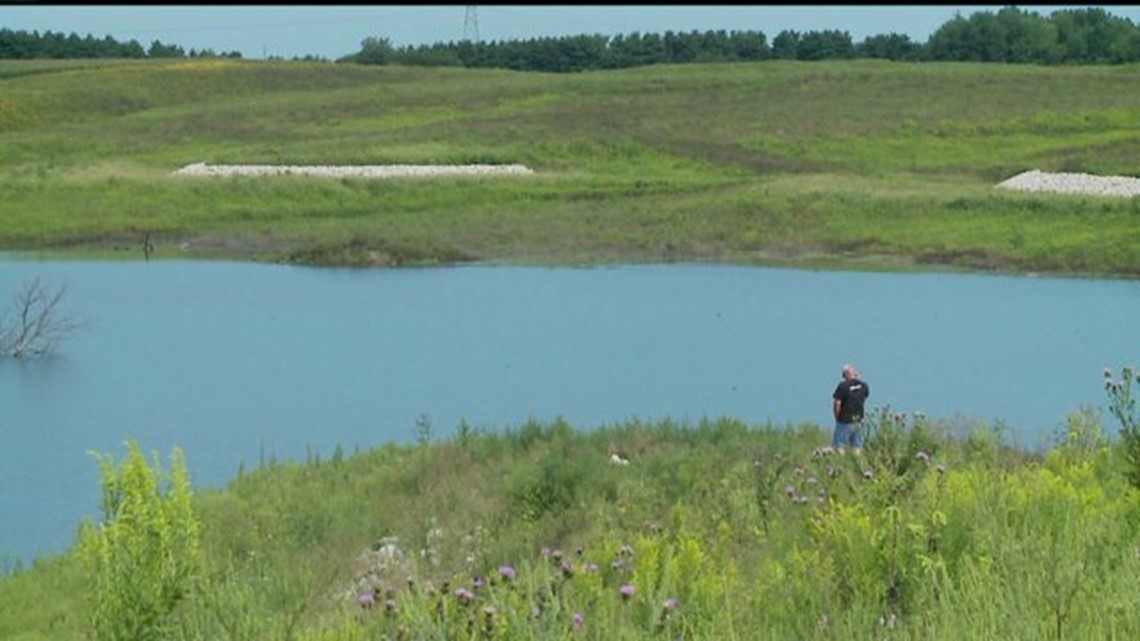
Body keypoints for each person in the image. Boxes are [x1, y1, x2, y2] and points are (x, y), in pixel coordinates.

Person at [832, 364, 869, 455]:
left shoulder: (843, 386)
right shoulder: (864, 386)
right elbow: (864, 398)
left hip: (844, 420)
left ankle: (840, 461)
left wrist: (837, 417)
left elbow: (837, 403)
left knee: (839, 445)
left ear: (846, 374)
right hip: (858, 420)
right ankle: (857, 462)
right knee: (857, 445)